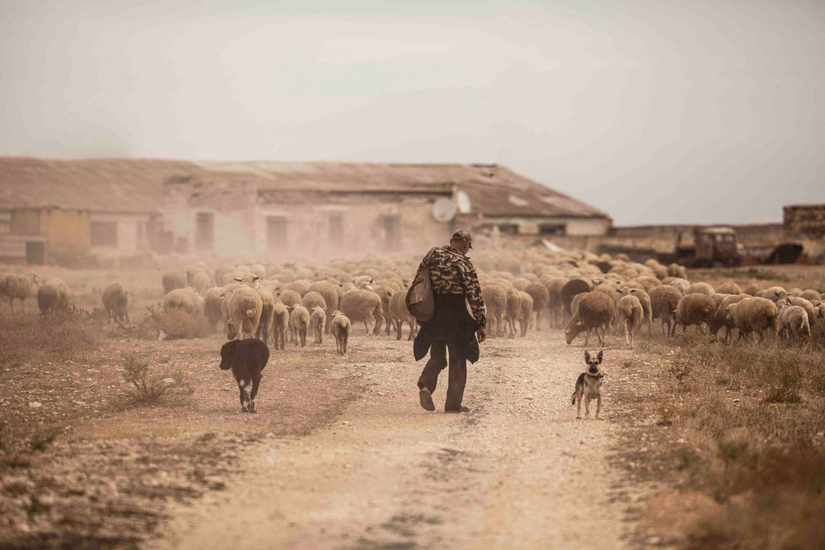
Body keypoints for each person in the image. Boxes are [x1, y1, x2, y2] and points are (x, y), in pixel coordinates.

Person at [413, 229, 487, 413]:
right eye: (469, 246)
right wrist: (481, 322)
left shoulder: (431, 255)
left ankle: (426, 387)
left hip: (434, 314)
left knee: (437, 356)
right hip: (456, 317)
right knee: (457, 360)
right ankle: (453, 405)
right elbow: (474, 294)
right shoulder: (463, 263)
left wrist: (420, 312)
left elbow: (418, 282)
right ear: (466, 244)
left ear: (451, 241)